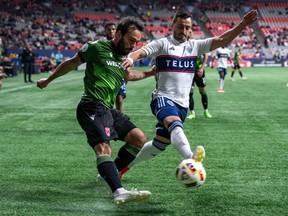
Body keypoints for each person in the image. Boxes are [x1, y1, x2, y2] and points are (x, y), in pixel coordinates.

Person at [119, 10, 258, 178]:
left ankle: (120, 170)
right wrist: (131, 59)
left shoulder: (195, 46)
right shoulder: (163, 44)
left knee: (159, 145)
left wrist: (242, 24)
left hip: (182, 105)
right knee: (174, 124)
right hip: (163, 98)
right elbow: (141, 52)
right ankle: (191, 159)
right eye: (180, 26)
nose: (183, 31)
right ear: (172, 25)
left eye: (187, 27)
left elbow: (222, 40)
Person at [36, 16, 156, 206]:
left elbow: (129, 76)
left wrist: (149, 73)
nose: (133, 46)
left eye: (136, 42)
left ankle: (108, 174)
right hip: (90, 105)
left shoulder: (124, 59)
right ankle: (119, 192)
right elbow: (71, 63)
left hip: (107, 109)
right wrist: (48, 80)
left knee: (139, 138)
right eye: (131, 40)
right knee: (103, 148)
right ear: (118, 34)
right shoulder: (96, 47)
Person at [104, 22, 127, 112]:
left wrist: (126, 76)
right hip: (107, 75)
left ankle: (120, 120)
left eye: (113, 29)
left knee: (119, 99)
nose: (111, 31)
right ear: (105, 31)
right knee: (107, 100)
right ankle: (106, 119)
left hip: (118, 75)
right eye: (109, 29)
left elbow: (125, 58)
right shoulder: (102, 44)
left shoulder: (121, 43)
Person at [187, 53, 212, 119]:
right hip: (189, 71)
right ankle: (192, 112)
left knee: (202, 91)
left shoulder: (199, 43)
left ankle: (206, 111)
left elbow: (206, 55)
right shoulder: (186, 44)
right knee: (190, 92)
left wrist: (202, 68)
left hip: (198, 70)